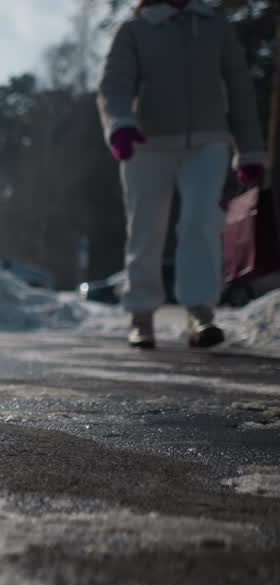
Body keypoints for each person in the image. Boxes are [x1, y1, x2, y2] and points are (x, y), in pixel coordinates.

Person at [97, 0, 266, 349]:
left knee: (201, 220)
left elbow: (239, 88)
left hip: (208, 141)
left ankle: (201, 314)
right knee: (145, 227)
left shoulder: (216, 26)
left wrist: (249, 149)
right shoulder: (135, 30)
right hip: (146, 143)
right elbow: (115, 83)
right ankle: (141, 317)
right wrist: (121, 125)